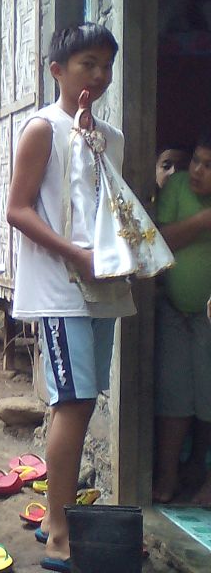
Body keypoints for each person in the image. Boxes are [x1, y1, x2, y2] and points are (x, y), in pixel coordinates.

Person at [6, 23, 136, 571]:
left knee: (83, 401)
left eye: (106, 65)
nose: (99, 75)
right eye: (87, 63)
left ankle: (60, 517)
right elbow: (18, 209)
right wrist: (75, 255)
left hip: (103, 287)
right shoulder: (43, 128)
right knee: (74, 403)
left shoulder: (109, 136)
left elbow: (105, 210)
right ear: (56, 69)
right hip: (62, 290)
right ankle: (58, 528)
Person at [153, 133, 211, 504]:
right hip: (175, 311)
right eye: (197, 161)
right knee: (174, 396)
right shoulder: (175, 187)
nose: (198, 171)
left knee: (208, 399)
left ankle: (202, 478)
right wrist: (206, 219)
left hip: (208, 318)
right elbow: (159, 240)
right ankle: (168, 478)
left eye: (209, 166)